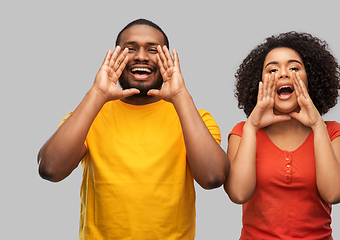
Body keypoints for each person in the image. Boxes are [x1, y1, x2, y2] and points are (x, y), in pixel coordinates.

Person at [37, 18, 229, 240]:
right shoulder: (91, 115)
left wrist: (180, 96)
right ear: (116, 57)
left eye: (153, 49)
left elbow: (213, 177)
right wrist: (97, 94)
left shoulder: (196, 118)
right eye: (130, 48)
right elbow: (50, 168)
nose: (141, 56)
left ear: (168, 59)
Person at [224, 32, 340, 239]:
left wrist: (318, 126)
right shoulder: (242, 132)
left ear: (310, 79)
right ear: (260, 83)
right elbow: (238, 194)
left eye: (294, 68)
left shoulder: (334, 132)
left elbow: (334, 193)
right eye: (272, 69)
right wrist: (251, 127)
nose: (283, 74)